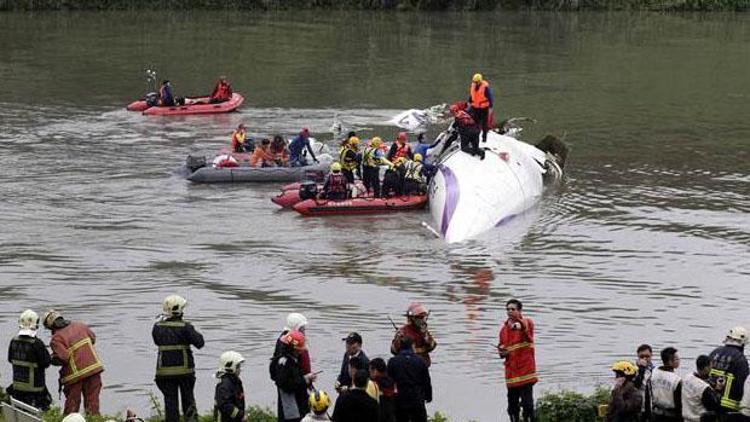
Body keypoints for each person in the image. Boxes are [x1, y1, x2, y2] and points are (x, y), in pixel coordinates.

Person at [152, 295, 205, 422]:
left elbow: (157, 341)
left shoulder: (157, 327)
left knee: (170, 404)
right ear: (179, 310)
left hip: (164, 373)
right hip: (185, 372)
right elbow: (200, 343)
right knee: (188, 401)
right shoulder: (186, 327)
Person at [43, 309, 104, 415]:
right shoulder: (80, 325)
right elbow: (93, 338)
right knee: (92, 403)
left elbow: (63, 357)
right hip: (94, 369)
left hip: (75, 376)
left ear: (50, 327)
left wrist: (51, 359)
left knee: (72, 404)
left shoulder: (56, 338)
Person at [497, 299, 537, 422]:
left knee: (527, 405)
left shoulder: (527, 323)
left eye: (513, 309)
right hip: (511, 373)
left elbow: (523, 325)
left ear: (519, 311)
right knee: (512, 406)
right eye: (508, 309)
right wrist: (502, 351)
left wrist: (516, 325)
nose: (509, 311)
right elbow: (502, 348)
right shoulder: (503, 330)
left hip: (525, 372)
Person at [6, 310, 52, 410]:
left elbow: (10, 359)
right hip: (36, 390)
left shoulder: (13, 341)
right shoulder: (37, 343)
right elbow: (46, 362)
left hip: (17, 388)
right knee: (47, 402)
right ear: (36, 324)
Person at [275, 330, 317, 422]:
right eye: (300, 349)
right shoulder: (285, 363)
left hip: (295, 405)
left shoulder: (290, 360)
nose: (301, 351)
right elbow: (288, 385)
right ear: (294, 349)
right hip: (291, 408)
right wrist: (305, 379)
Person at [387, 336, 432, 422]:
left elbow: (389, 381)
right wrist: (428, 396)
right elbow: (426, 380)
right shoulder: (420, 361)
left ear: (400, 346)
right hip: (417, 399)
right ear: (412, 346)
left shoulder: (393, 361)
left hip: (400, 400)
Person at [709, 326, 749, 413]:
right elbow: (743, 384)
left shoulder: (714, 353)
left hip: (710, 401)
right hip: (729, 407)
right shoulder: (740, 359)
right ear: (743, 343)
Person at [390, 302, 436, 368]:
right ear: (412, 318)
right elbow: (393, 351)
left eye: (423, 317)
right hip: (407, 368)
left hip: (423, 367)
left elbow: (432, 346)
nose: (422, 319)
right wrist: (398, 340)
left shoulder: (423, 331)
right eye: (419, 317)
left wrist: (426, 337)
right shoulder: (403, 332)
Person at [681, 355, 723, 422]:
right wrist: (718, 389)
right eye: (710, 367)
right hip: (698, 419)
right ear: (706, 368)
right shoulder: (704, 388)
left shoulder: (687, 377)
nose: (711, 369)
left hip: (686, 418)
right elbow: (715, 406)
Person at [651, 347, 682, 422]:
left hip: (655, 413)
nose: (679, 361)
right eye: (677, 359)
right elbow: (678, 403)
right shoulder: (676, 380)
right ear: (670, 362)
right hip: (670, 416)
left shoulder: (654, 372)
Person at [214, 351, 245, 422]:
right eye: (238, 367)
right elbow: (225, 405)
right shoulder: (224, 385)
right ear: (230, 367)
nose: (240, 369)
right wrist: (240, 415)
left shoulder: (235, 382)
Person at [468, 73, 494, 143]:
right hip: (475, 107)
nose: (475, 83)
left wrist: (491, 107)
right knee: (475, 122)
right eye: (474, 82)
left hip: (484, 108)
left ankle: (484, 138)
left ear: (480, 81)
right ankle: (475, 137)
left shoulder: (485, 87)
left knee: (484, 123)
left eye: (476, 82)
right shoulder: (473, 85)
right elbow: (472, 95)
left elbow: (490, 97)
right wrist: (469, 102)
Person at [369, 358, 396, 422]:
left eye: (370, 371)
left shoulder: (374, 385)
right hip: (391, 415)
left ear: (375, 371)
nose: (369, 373)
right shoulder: (391, 382)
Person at [634, 344, 655, 422]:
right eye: (642, 356)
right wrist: (641, 369)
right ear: (638, 356)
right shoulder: (633, 371)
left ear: (651, 356)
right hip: (639, 407)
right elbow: (637, 385)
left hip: (652, 408)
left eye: (647, 356)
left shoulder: (655, 371)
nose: (645, 359)